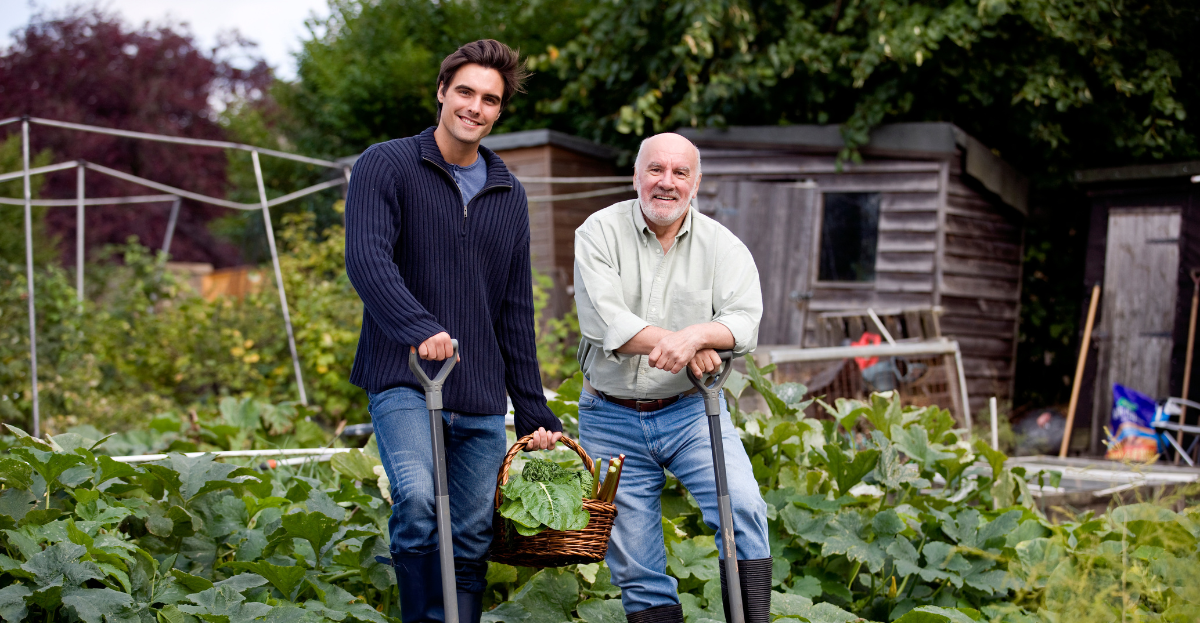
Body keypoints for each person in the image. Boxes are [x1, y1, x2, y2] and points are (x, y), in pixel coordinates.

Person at [344, 39, 562, 623]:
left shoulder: (508, 193)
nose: (475, 107)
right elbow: (368, 260)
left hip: (481, 392)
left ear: (499, 111)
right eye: (465, 91)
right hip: (405, 377)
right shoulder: (385, 165)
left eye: (490, 99)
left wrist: (533, 407)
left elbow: (514, 309)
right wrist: (420, 329)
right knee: (416, 501)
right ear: (442, 93)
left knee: (470, 534)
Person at [573, 133, 770, 623]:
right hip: (609, 417)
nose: (667, 182)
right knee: (636, 564)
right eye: (655, 170)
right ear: (636, 176)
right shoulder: (598, 232)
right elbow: (604, 321)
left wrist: (700, 335)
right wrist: (685, 347)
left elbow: (744, 321)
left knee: (740, 508)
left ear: (696, 183)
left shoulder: (723, 246)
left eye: (680, 173)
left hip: (690, 413)